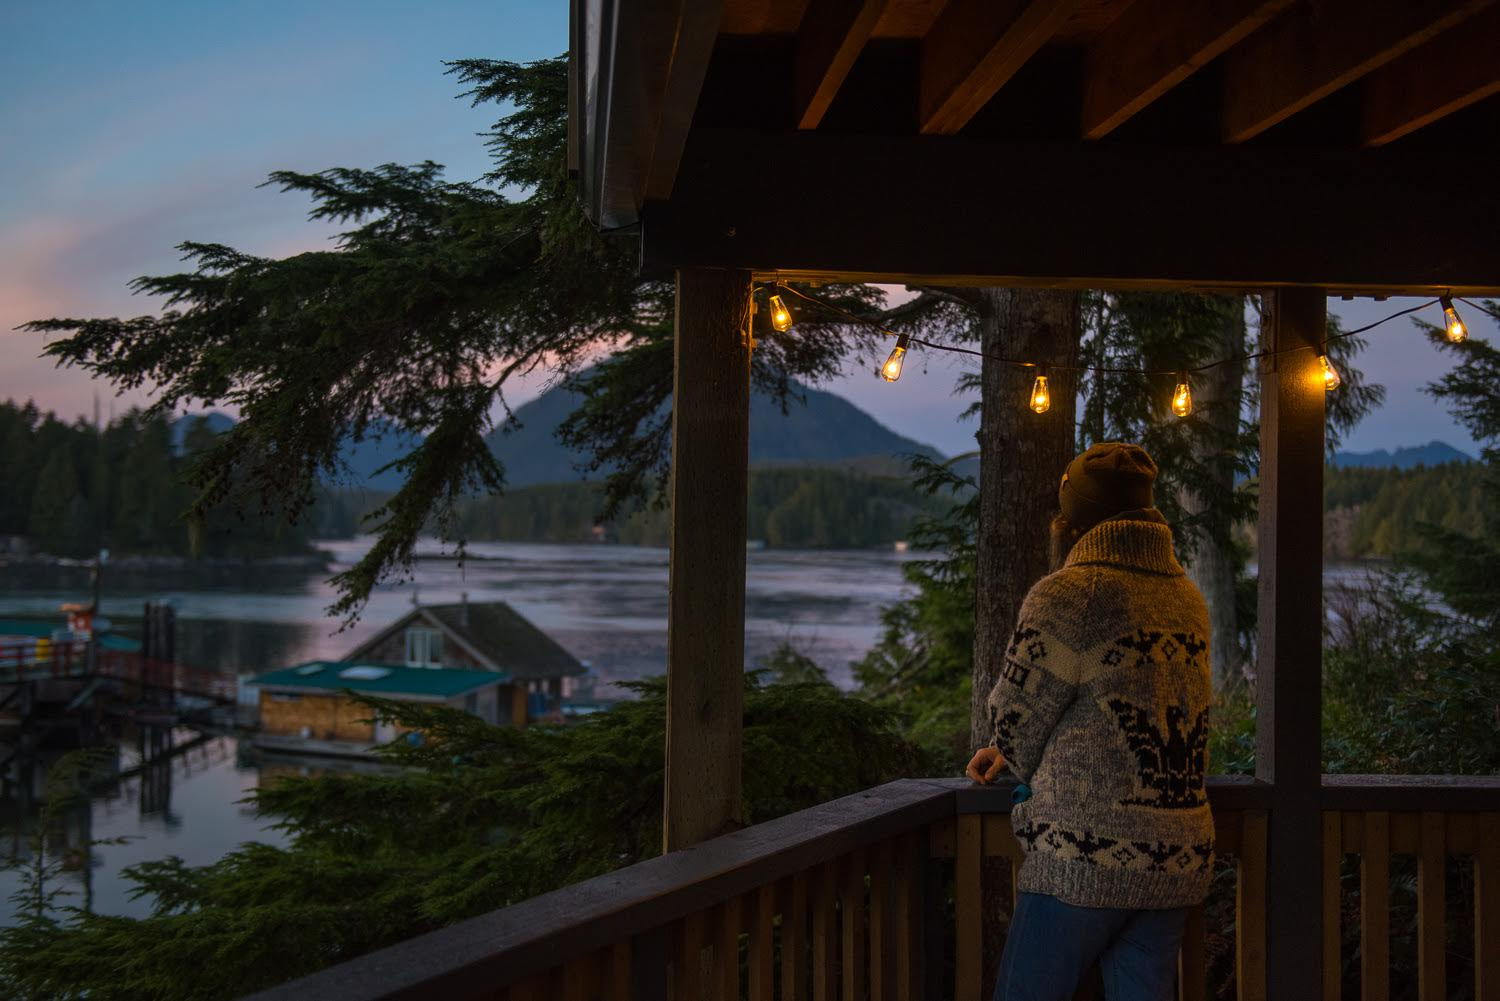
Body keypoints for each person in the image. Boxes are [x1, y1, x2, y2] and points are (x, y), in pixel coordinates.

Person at [965, 442, 1213, 1001]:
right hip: (1174, 857)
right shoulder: (1186, 596)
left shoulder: (1070, 593)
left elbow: (1015, 717)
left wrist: (1005, 749)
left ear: (1071, 520)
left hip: (1084, 857)